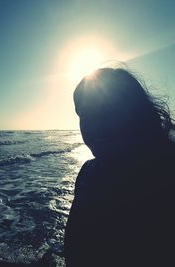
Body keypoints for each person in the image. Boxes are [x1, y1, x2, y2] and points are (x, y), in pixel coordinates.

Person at [64, 68, 175, 267]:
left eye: (107, 111)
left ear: (138, 112)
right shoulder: (88, 175)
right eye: (85, 114)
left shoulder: (167, 175)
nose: (94, 125)